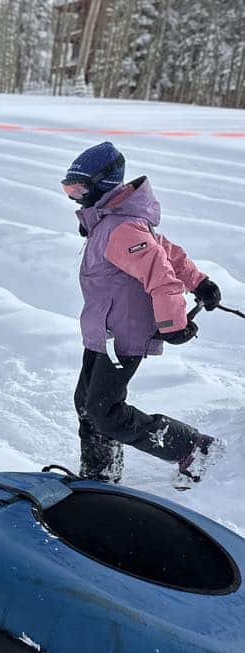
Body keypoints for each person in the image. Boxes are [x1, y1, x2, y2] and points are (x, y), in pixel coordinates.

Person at [62, 141, 224, 488]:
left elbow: (162, 277)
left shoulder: (121, 229)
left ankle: (193, 447)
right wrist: (201, 282)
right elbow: (168, 252)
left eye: (78, 188)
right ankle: (100, 474)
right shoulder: (113, 221)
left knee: (105, 413)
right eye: (68, 188)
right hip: (102, 332)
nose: (73, 197)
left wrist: (174, 324)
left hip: (124, 336)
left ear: (104, 184)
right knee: (87, 406)